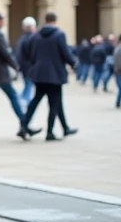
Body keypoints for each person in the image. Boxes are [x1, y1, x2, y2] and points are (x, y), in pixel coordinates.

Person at [18, 11, 79, 141]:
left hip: (39, 73)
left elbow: (29, 52)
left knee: (36, 101)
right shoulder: (59, 34)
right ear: (55, 20)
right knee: (54, 103)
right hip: (54, 74)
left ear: (45, 20)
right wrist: (74, 63)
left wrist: (35, 64)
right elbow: (65, 53)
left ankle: (24, 125)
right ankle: (50, 132)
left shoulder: (36, 35)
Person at [0, 12, 40, 136]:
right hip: (0, 74)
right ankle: (24, 124)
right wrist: (15, 66)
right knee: (14, 97)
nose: (4, 22)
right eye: (3, 20)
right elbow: (5, 53)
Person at [15, 17, 39, 109]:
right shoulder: (33, 38)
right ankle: (24, 100)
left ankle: (23, 99)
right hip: (30, 67)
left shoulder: (22, 38)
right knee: (28, 84)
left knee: (27, 84)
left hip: (24, 66)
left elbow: (18, 54)